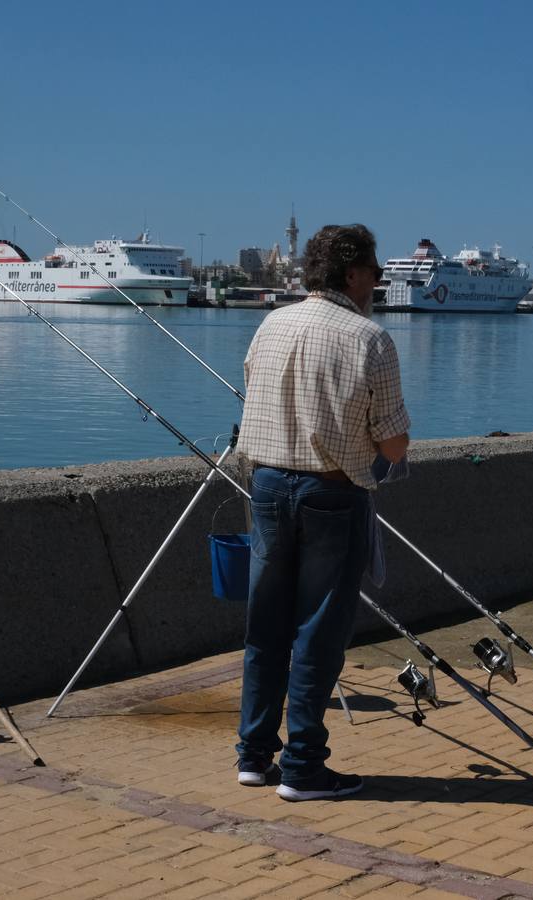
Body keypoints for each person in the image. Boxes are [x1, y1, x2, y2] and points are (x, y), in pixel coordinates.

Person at [234, 224, 410, 801]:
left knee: (265, 628)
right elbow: (393, 442)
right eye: (376, 272)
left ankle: (255, 756)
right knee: (318, 632)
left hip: (266, 489)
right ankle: (305, 766)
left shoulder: (271, 323)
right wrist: (375, 465)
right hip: (332, 496)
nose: (379, 282)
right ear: (353, 274)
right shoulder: (370, 339)